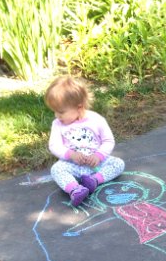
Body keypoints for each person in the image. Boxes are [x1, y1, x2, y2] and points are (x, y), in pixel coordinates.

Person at [44, 75, 125, 207]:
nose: (57, 116)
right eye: (55, 111)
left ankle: (94, 181)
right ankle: (75, 189)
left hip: (96, 164)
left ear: (79, 107)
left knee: (118, 164)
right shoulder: (58, 124)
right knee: (56, 169)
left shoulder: (96, 120)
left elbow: (108, 140)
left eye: (61, 112)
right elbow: (54, 145)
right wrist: (71, 154)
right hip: (73, 165)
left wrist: (98, 156)